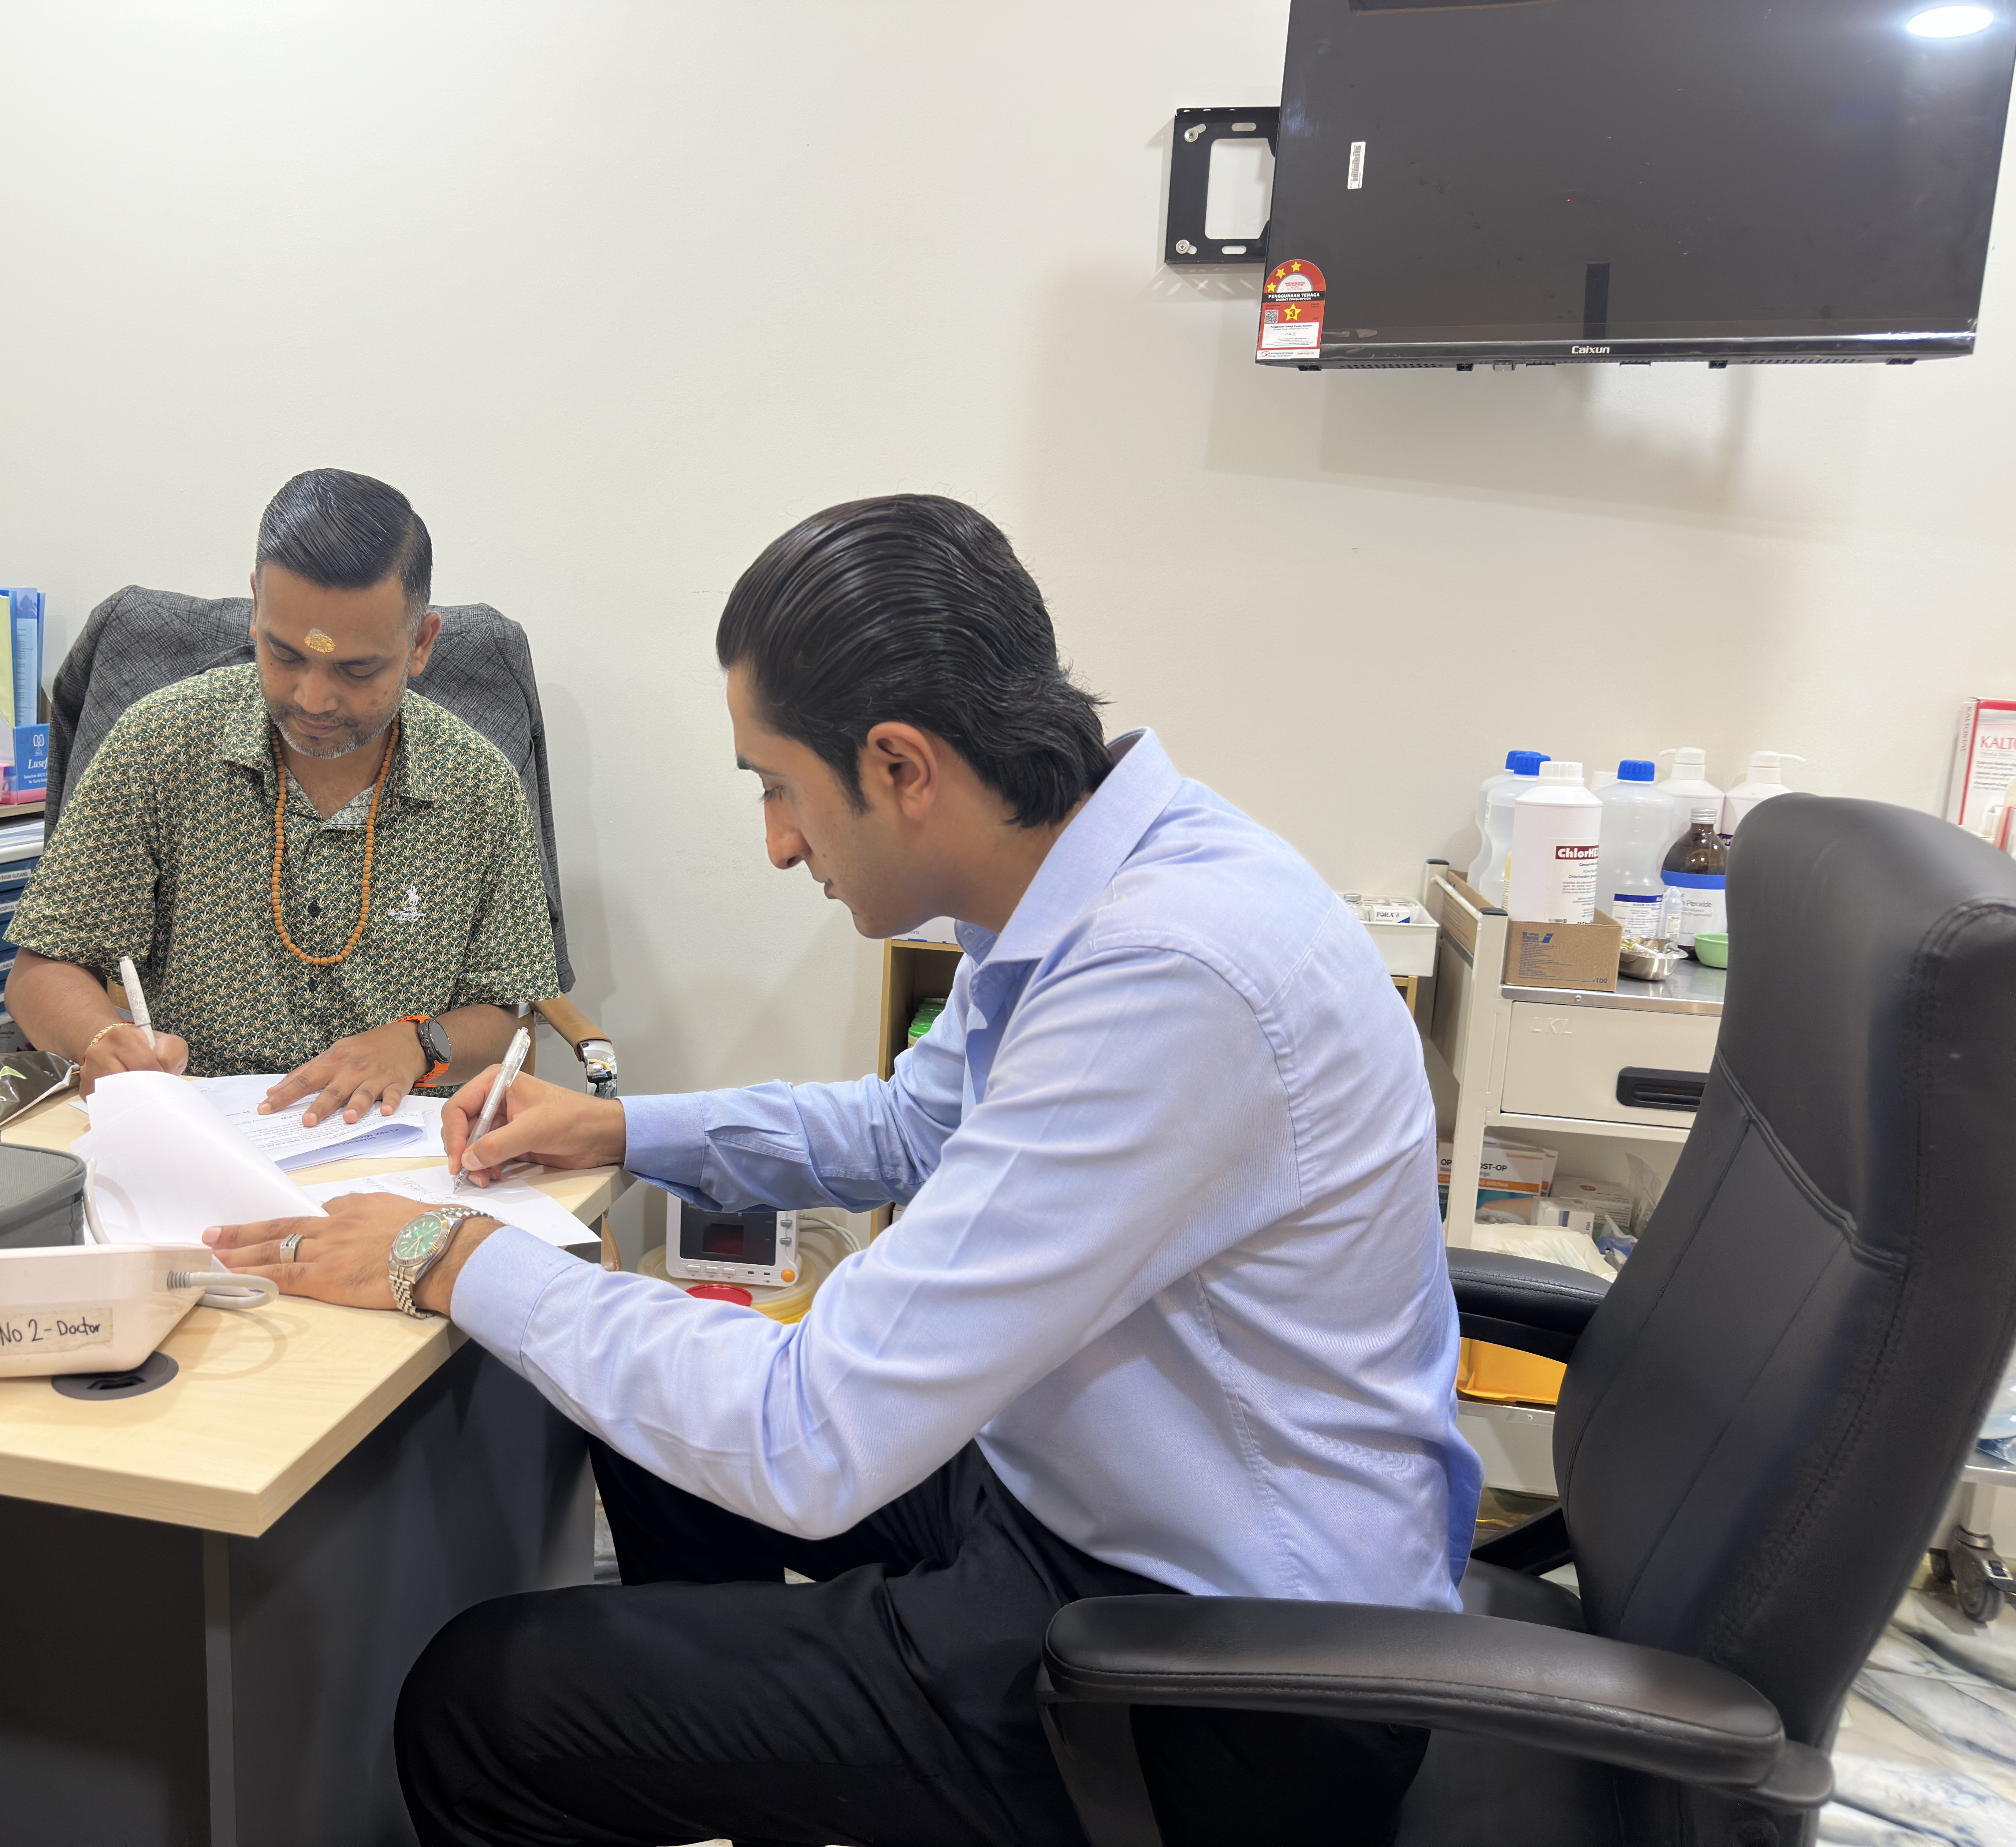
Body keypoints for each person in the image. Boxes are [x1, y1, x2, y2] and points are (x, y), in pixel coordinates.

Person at [204, 494, 1479, 1845]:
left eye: (778, 786)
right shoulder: (1095, 875)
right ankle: (758, 1764)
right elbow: (906, 1131)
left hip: (1229, 1689)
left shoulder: (1168, 983)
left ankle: (747, 1745)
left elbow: (805, 1439)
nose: (777, 840)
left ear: (901, 766)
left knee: (484, 1703)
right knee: (646, 1435)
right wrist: (622, 1133)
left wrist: (447, 1258)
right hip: (1097, 1507)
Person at [4, 469, 562, 1127]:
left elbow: (507, 1015)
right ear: (255, 608)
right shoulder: (161, 745)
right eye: (285, 654)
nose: (313, 699)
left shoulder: (478, 785)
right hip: (200, 1139)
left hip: (402, 1149)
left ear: (420, 643)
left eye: (356, 669)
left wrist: (416, 1044)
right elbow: (42, 970)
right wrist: (102, 1040)